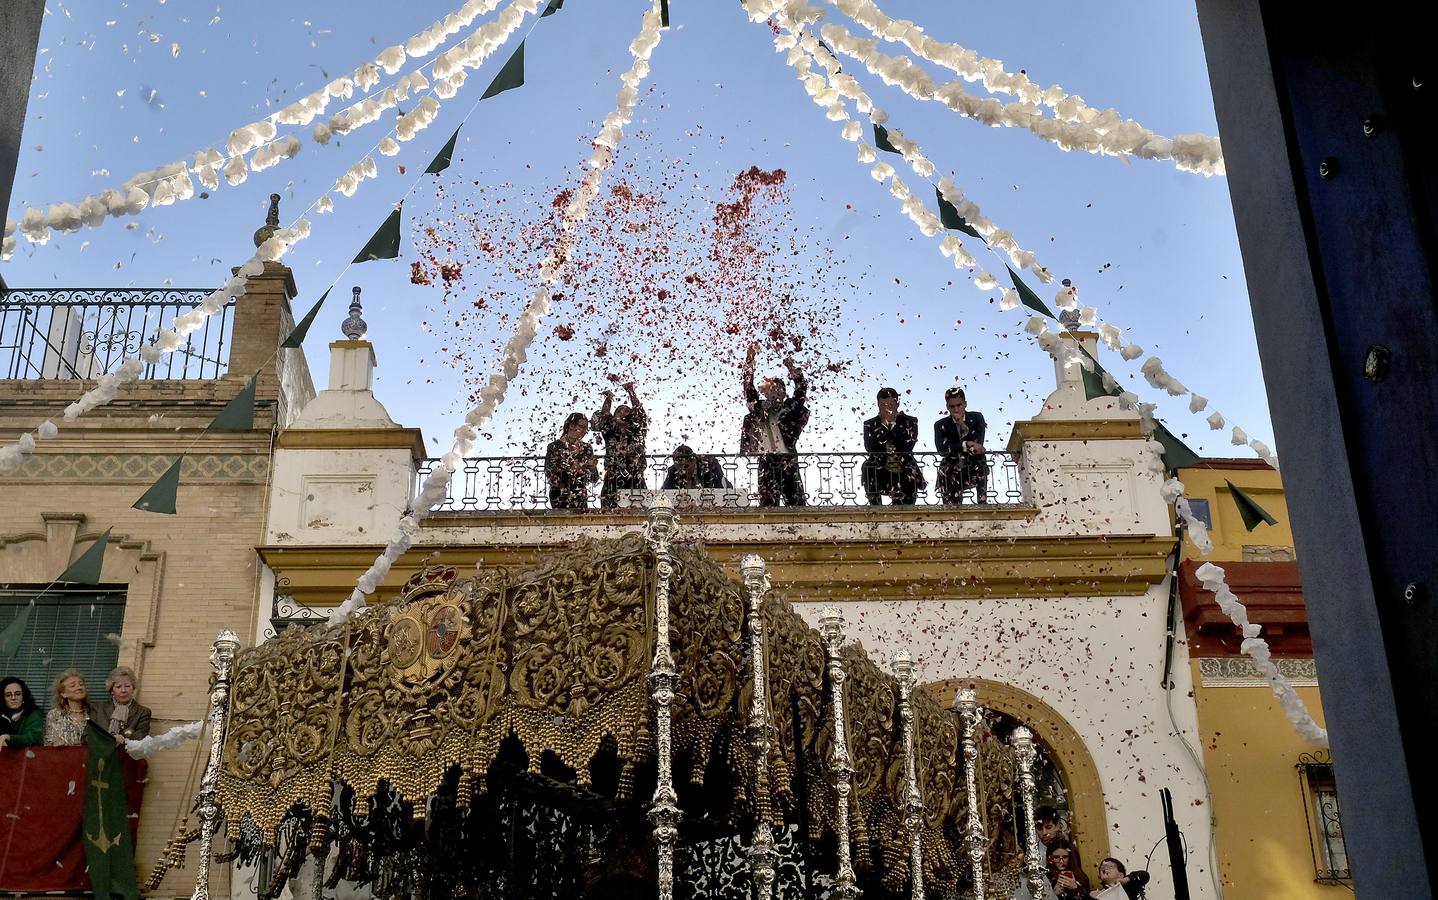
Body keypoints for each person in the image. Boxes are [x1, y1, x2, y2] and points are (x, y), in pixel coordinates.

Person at [740, 344, 809, 507]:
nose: (776, 392)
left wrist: (792, 368)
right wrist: (750, 360)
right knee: (768, 505)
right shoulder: (758, 408)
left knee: (797, 503)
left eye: (780, 389)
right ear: (766, 392)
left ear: (785, 393)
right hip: (767, 461)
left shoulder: (790, 408)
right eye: (772, 389)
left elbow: (801, 390)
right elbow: (748, 388)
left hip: (788, 459)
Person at [861, 387, 926, 505]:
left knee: (905, 500)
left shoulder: (911, 421)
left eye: (891, 404)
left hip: (903, 465)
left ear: (897, 403)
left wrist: (892, 425)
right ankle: (875, 506)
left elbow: (908, 445)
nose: (888, 407)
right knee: (867, 466)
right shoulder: (869, 424)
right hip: (879, 465)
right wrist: (885, 426)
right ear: (878, 405)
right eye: (883, 404)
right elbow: (870, 447)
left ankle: (905, 506)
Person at [592, 382, 648, 510]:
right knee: (608, 511)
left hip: (635, 475)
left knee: (639, 511)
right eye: (619, 410)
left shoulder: (636, 430)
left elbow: (639, 412)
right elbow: (605, 416)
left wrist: (630, 391)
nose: (622, 411)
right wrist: (609, 398)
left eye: (626, 410)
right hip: (612, 476)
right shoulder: (610, 431)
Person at [935, 386, 989, 504]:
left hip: (975, 465)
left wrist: (962, 425)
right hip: (951, 470)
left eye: (959, 405)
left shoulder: (976, 417)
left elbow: (978, 444)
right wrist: (966, 444)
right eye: (952, 406)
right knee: (951, 511)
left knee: (982, 506)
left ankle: (983, 504)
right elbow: (941, 450)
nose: (956, 409)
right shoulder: (940, 424)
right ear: (947, 407)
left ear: (965, 404)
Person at [545, 412, 599, 511]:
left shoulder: (587, 448)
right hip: (559, 493)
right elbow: (548, 471)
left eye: (585, 429)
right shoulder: (554, 446)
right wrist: (569, 467)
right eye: (581, 426)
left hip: (580, 494)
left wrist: (591, 467)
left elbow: (594, 478)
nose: (583, 431)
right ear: (571, 425)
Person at [92, 665, 152, 746]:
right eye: (118, 687)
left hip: (127, 756)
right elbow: (88, 736)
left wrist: (123, 739)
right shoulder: (98, 708)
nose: (123, 690)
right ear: (112, 690)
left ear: (133, 688)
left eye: (127, 686)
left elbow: (141, 738)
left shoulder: (143, 712)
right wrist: (111, 738)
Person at [43, 668, 97, 746]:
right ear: (63, 694)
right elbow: (49, 741)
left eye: (81, 684)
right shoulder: (55, 715)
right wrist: (56, 743)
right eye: (73, 686)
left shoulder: (94, 712)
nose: (79, 687)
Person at [0, 676, 44, 750]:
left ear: (24, 697)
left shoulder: (33, 713)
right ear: (3, 699)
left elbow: (35, 737)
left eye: (17, 694)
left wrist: (9, 738)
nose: (13, 698)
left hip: (28, 757)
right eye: (8, 695)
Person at [662, 445, 732, 490]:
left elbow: (721, 487)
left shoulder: (710, 466)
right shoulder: (672, 472)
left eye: (686, 466)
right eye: (678, 467)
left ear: (693, 461)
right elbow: (664, 492)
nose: (682, 471)